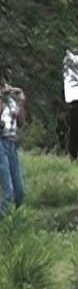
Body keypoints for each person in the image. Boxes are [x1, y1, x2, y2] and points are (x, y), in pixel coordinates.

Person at [0, 69, 26, 213]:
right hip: (1, 142)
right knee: (7, 191)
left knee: (19, 192)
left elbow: (21, 122)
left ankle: (16, 222)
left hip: (12, 143)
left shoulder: (11, 101)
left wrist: (21, 103)